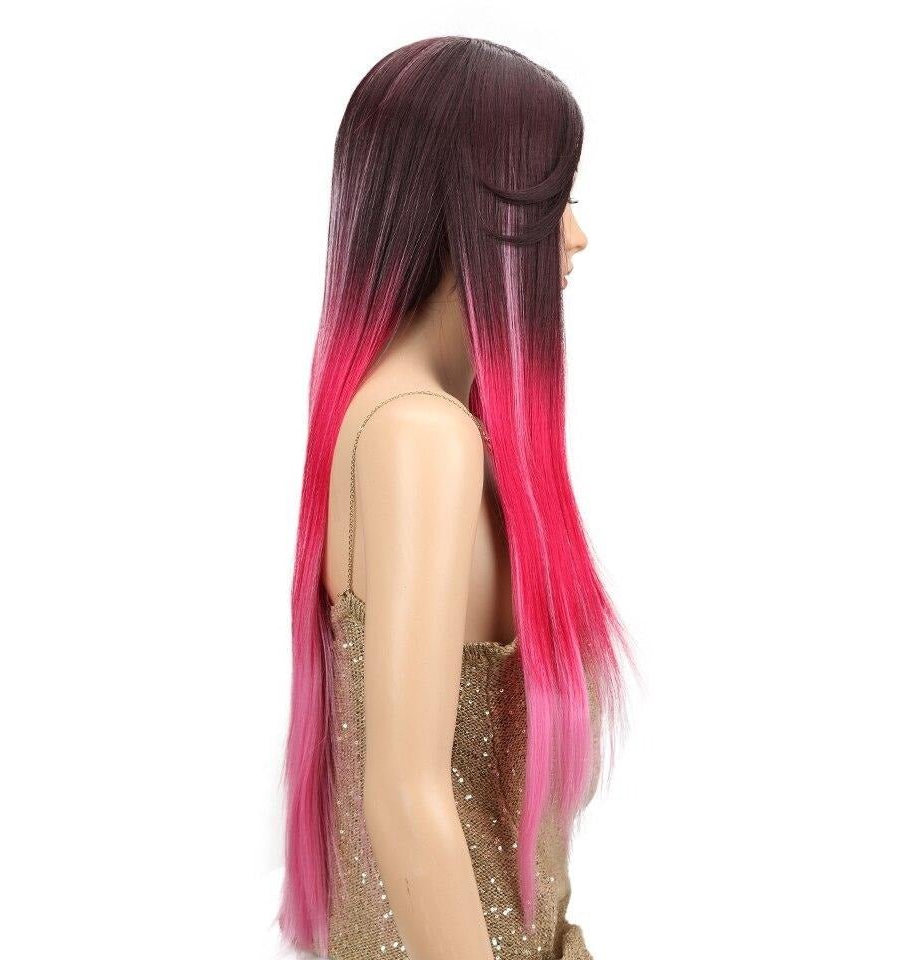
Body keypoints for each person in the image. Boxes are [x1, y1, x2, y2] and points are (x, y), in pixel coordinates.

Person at [280, 36, 633, 960]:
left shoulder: (385, 418)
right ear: (478, 215)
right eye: (554, 202)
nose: (577, 236)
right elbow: (404, 800)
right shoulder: (423, 438)